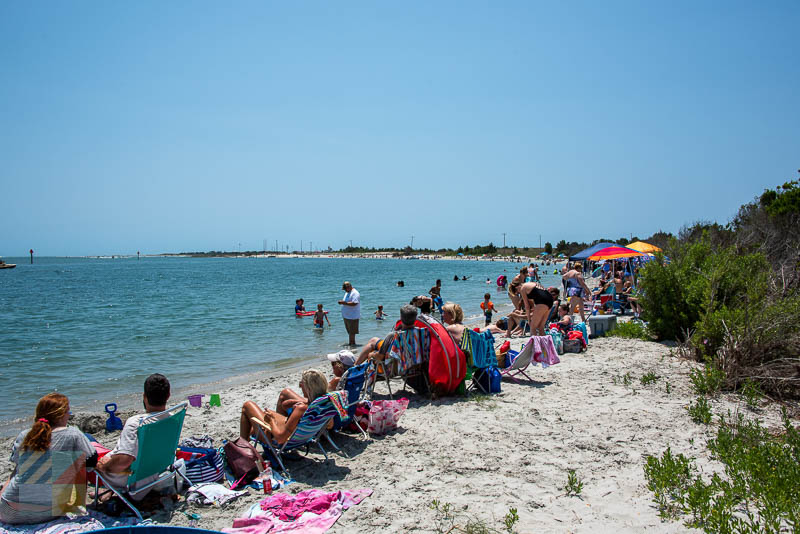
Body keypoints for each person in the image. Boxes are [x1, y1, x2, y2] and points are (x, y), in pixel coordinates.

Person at [0, 393, 97, 525]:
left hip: (9, 512)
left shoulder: (24, 435)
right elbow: (92, 461)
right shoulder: (73, 434)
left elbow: (17, 468)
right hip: (49, 512)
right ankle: (79, 504)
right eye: (68, 412)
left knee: (19, 470)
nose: (69, 415)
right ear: (61, 414)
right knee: (79, 463)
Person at [96, 374, 172, 500]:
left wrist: (103, 467)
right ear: (168, 395)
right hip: (155, 470)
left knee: (85, 450)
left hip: (132, 478)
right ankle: (108, 491)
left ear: (144, 396)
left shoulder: (137, 423)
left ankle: (68, 504)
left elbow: (124, 460)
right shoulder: (171, 418)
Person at [239, 369, 329, 444]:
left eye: (301, 384)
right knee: (264, 414)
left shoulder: (301, 409)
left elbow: (280, 439)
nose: (299, 386)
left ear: (308, 388)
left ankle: (242, 446)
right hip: (302, 437)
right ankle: (245, 443)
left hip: (278, 439)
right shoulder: (326, 403)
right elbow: (330, 425)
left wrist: (272, 421)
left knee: (248, 405)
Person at [338, 281, 361, 346]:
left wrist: (343, 303)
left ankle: (352, 344)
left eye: (345, 289)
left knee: (352, 332)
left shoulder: (355, 293)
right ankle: (351, 344)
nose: (345, 290)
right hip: (347, 316)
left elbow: (355, 303)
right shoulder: (348, 292)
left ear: (349, 287)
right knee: (350, 332)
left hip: (352, 316)